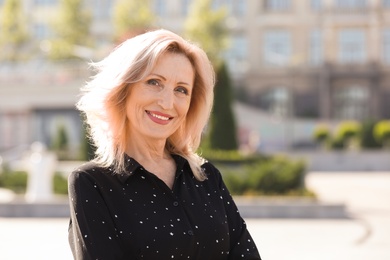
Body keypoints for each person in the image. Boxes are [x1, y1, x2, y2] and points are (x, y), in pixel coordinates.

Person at [68, 29, 261, 260]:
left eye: (181, 90)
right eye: (154, 82)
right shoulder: (92, 184)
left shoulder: (207, 178)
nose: (167, 102)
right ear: (123, 89)